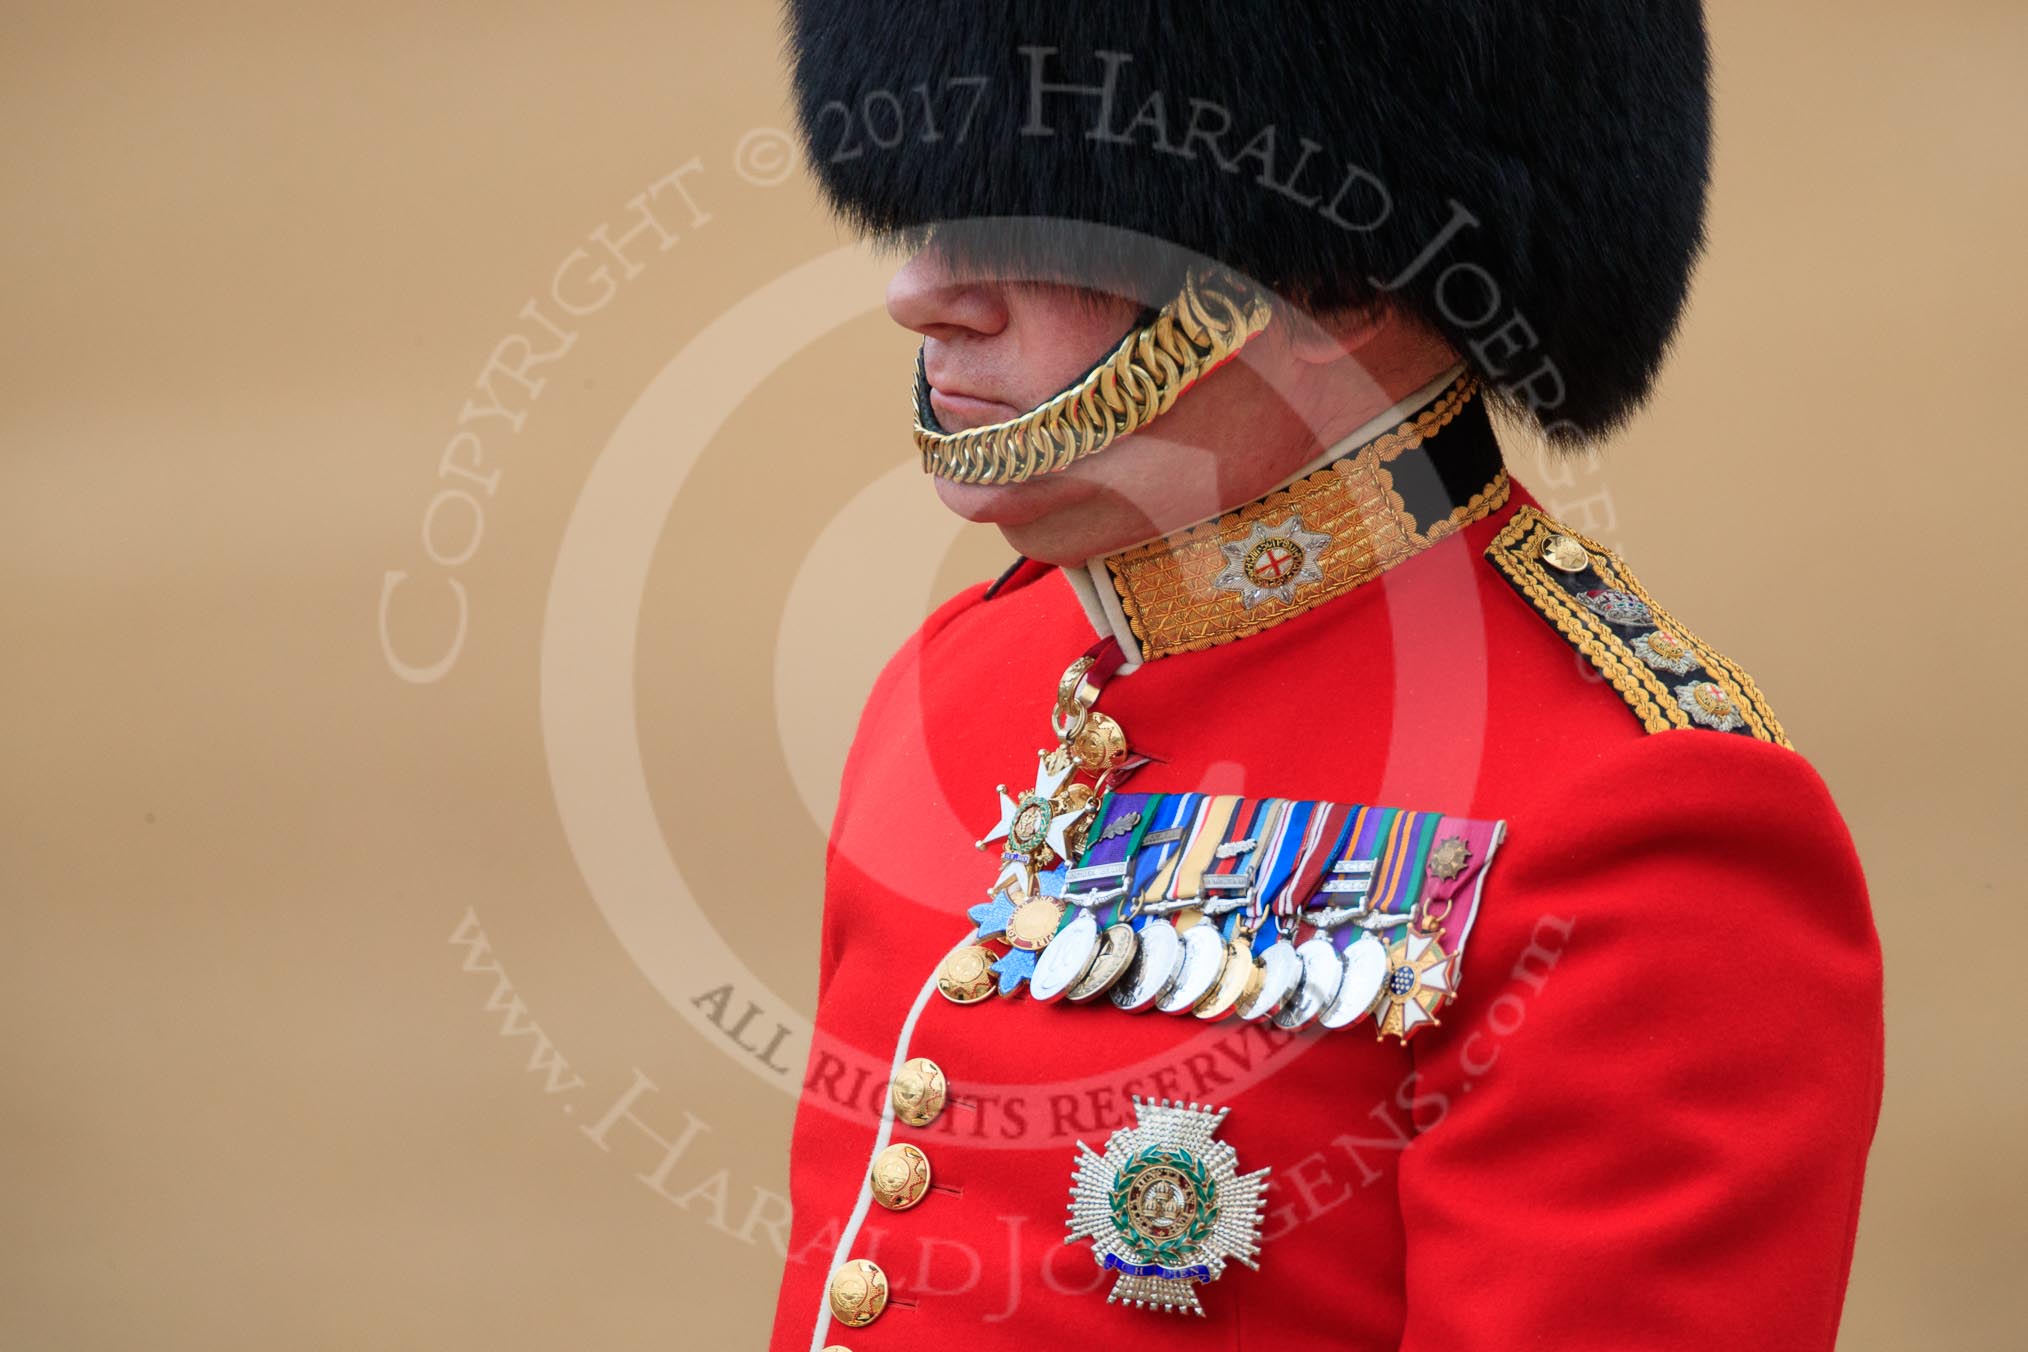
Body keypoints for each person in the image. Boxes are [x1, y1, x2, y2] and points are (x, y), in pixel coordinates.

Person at [768, 4, 1883, 1349]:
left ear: (1342, 284)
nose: (921, 287)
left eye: (1051, 218)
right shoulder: (966, 680)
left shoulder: (1634, 830)